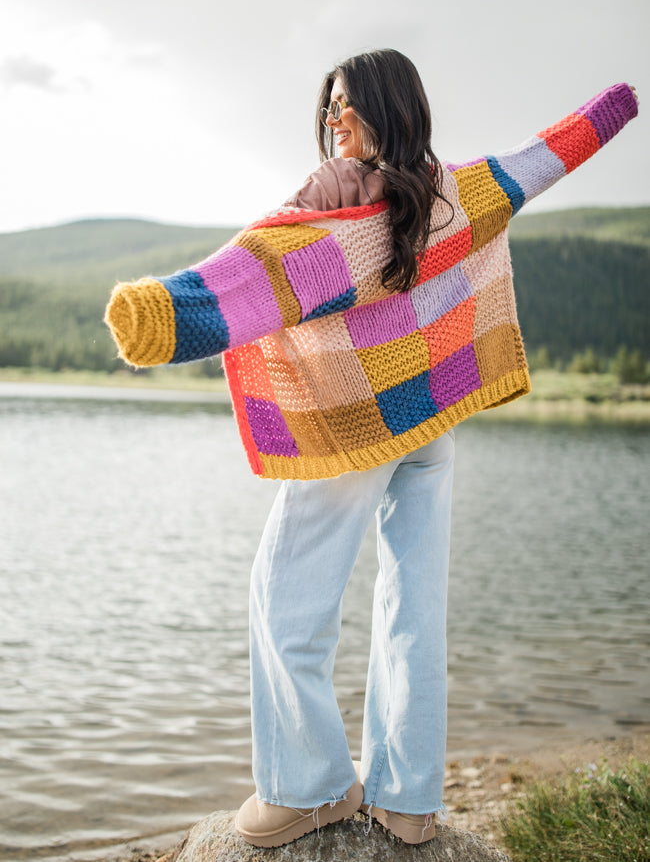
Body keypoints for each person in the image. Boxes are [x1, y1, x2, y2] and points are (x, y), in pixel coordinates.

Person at [104, 51, 638, 848]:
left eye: (347, 104)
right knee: (412, 603)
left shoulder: (333, 202)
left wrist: (163, 310)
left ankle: (307, 786)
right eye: (329, 107)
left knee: (286, 596)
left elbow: (256, 273)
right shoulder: (455, 191)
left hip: (358, 428)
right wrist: (616, 107)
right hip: (432, 422)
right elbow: (543, 159)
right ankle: (409, 800)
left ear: (388, 105)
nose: (333, 120)